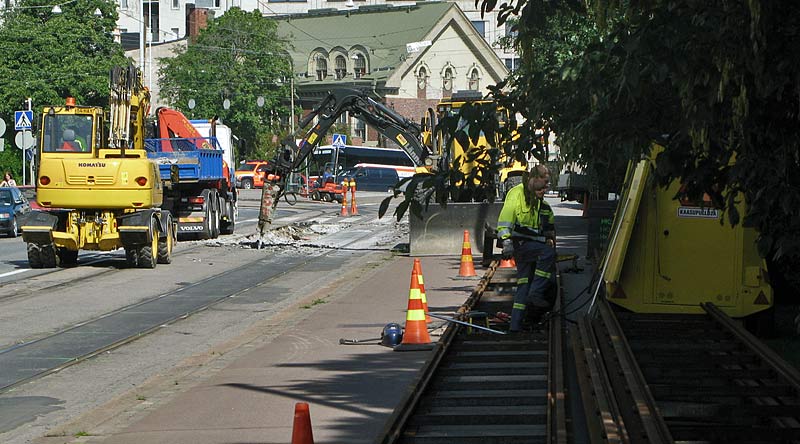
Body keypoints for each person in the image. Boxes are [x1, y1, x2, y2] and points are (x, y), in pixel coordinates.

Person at [496, 164, 556, 332]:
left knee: (524, 284)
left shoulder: (539, 202)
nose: (546, 188)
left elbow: (547, 225)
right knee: (547, 253)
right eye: (544, 183)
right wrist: (506, 242)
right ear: (534, 179)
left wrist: (550, 235)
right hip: (521, 245)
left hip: (531, 245)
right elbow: (505, 220)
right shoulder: (516, 194)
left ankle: (515, 326)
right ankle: (535, 294)